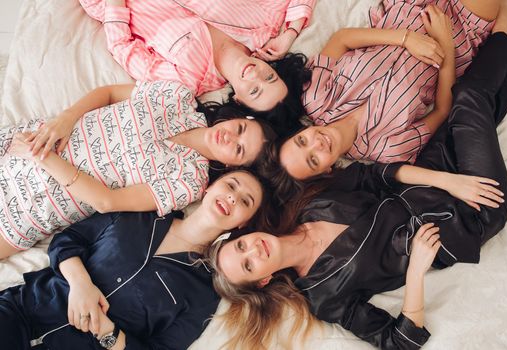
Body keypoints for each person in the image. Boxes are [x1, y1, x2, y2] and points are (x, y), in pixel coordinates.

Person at [208, 5, 507, 348]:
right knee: (471, 97)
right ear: (264, 281)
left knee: (481, 99)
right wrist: (416, 269)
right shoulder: (324, 295)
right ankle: (506, 21)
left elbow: (379, 175)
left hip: (432, 172)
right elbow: (400, 341)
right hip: (462, 217)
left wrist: (446, 180)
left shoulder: (308, 207)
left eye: (240, 246)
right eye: (249, 265)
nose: (252, 250)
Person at [0, 80, 276, 259]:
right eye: (240, 129)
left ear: (232, 166)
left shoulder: (190, 181)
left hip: (30, 208)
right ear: (239, 118)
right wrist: (65, 118)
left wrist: (44, 158)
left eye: (238, 149)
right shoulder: (177, 97)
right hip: (24, 143)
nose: (230, 137)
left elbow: (106, 202)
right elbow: (109, 93)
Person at [0, 169, 267, 349]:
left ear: (243, 223)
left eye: (245, 201)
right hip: (24, 309)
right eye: (231, 185)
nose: (233, 196)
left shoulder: (203, 295)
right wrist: (81, 283)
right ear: (209, 188)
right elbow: (68, 240)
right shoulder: (138, 214)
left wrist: (107, 331)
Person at [278, 0, 507, 180]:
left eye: (302, 141)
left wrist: (406, 39)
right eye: (313, 160)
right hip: (458, 31)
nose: (316, 143)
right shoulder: (389, 150)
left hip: (406, 8)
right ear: (327, 171)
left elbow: (342, 39)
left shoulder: (316, 97)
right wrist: (445, 42)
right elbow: (442, 111)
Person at [78, 0, 315, 133]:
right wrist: (291, 32)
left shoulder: (187, 80)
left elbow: (121, 46)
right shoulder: (264, 26)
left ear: (239, 101)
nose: (257, 75)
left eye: (254, 90)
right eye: (270, 78)